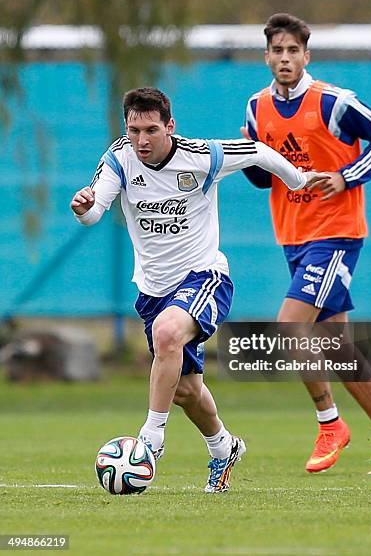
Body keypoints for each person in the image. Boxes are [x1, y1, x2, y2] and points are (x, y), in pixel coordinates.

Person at [71, 87, 326, 492]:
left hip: (204, 277)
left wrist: (297, 182)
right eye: (134, 130)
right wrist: (85, 208)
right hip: (154, 291)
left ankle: (151, 440)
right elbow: (96, 209)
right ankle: (223, 447)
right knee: (187, 391)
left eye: (151, 130)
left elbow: (258, 151)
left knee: (168, 333)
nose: (142, 140)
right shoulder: (118, 159)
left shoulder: (202, 156)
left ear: (170, 126)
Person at [241, 13, 371, 475]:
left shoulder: (334, 102)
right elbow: (266, 179)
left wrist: (345, 176)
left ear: (306, 56)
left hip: (336, 233)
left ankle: (329, 423)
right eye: (276, 51)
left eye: (292, 51)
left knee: (288, 327)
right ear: (266, 57)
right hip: (293, 235)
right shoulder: (256, 107)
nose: (284, 58)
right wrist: (249, 159)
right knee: (334, 342)